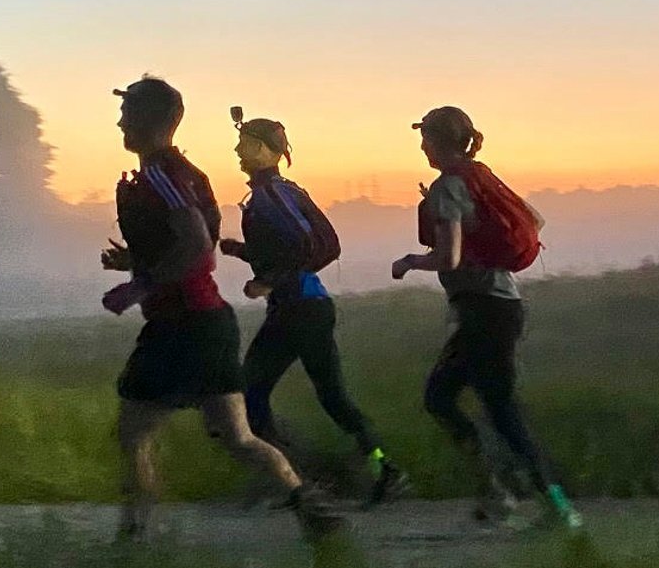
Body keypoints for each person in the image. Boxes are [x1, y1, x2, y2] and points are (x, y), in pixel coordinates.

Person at [98, 76, 341, 541]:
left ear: (147, 121)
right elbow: (195, 242)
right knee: (238, 438)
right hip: (208, 321)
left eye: (126, 113)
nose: (120, 122)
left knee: (132, 433)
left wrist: (140, 284)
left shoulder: (157, 174)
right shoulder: (186, 173)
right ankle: (311, 509)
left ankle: (132, 539)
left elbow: (196, 246)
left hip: (179, 325)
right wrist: (135, 261)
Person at [390, 105, 581, 530]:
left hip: (482, 311)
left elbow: (448, 256)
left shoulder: (449, 188)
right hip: (501, 306)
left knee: (454, 400)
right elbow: (534, 220)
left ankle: (524, 497)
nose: (422, 146)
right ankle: (525, 497)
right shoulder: (480, 176)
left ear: (440, 142)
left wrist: (408, 262)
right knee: (490, 405)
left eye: (426, 139)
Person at [223, 108, 409, 506]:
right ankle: (383, 469)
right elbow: (310, 246)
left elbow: (306, 246)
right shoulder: (287, 192)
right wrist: (243, 252)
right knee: (333, 398)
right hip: (309, 306)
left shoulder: (270, 196)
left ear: (262, 149)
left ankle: (294, 482)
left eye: (244, 144)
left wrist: (270, 280)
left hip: (296, 309)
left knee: (249, 393)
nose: (237, 150)